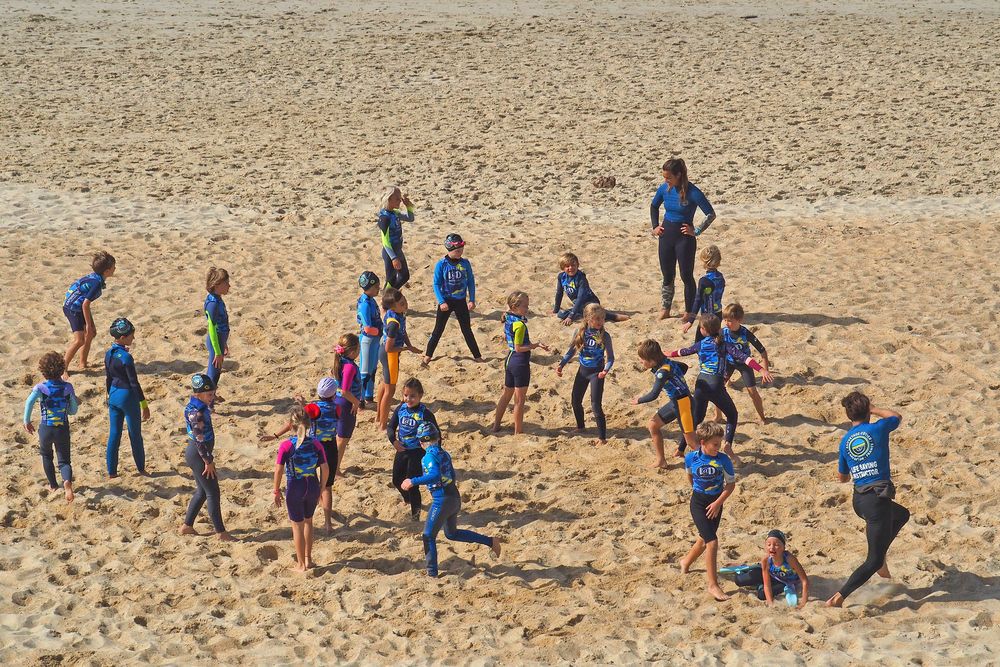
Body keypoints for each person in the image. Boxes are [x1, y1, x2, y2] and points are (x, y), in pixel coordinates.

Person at [827, 393, 910, 608]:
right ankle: (839, 596)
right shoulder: (878, 429)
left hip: (859, 501)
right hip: (877, 502)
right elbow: (896, 416)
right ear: (867, 410)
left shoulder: (846, 441)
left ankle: (881, 557)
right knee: (872, 560)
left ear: (848, 415)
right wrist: (873, 409)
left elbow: (842, 478)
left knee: (902, 514)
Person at [401, 422, 501, 577]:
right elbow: (452, 475)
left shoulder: (428, 456)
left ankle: (432, 573)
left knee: (428, 536)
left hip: (442, 500)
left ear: (421, 442)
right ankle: (490, 541)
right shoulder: (443, 453)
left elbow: (434, 475)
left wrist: (412, 481)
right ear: (438, 438)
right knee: (451, 534)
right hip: (454, 497)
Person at [667, 314, 772, 457]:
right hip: (715, 384)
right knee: (732, 415)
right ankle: (728, 445)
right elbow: (745, 358)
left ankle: (680, 450)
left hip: (701, 383)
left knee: (696, 419)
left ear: (704, 330)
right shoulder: (725, 344)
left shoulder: (701, 344)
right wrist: (762, 369)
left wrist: (667, 354)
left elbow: (683, 352)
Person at [650, 158, 716, 320]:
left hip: (684, 239)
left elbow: (710, 213)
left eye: (668, 178)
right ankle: (665, 308)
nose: (666, 181)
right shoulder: (664, 189)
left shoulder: (692, 191)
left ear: (679, 175)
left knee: (686, 275)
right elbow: (653, 206)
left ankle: (689, 311)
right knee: (667, 275)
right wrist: (655, 227)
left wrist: (697, 231)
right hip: (666, 236)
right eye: (664, 177)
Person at [679, 421, 736, 602]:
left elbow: (731, 484)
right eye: (715, 445)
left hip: (716, 503)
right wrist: (699, 493)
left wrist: (718, 503)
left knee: (704, 539)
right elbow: (690, 476)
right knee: (712, 542)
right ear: (703, 442)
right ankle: (713, 585)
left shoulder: (723, 460)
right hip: (698, 502)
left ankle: (685, 562)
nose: (718, 448)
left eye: (719, 444)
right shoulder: (691, 458)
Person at [272, 405, 330, 572]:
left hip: (295, 486)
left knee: (296, 526)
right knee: (309, 522)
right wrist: (322, 487)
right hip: (312, 484)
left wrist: (276, 490)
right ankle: (308, 559)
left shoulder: (286, 446)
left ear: (291, 425)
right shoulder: (316, 443)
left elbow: (278, 469)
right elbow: (325, 468)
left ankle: (301, 565)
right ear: (309, 424)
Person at [179, 374, 236, 541]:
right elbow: (199, 439)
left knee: (202, 492)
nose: (212, 397)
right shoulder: (197, 413)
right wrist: (208, 461)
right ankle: (221, 532)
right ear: (198, 394)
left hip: (196, 453)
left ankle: (187, 526)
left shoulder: (196, 406)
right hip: (199, 455)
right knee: (213, 492)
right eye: (209, 394)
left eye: (213, 393)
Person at [23, 352, 78, 501]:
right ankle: (67, 482)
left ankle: (53, 485)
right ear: (62, 369)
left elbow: (29, 403)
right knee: (64, 460)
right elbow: (73, 410)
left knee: (46, 455)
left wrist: (26, 421)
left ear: (43, 371)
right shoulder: (68, 387)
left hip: (46, 428)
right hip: (62, 428)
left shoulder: (40, 388)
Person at [556, 304, 614, 445]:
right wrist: (561, 364)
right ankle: (581, 427)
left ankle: (602, 438)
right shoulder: (580, 332)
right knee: (575, 401)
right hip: (582, 371)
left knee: (595, 405)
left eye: (602, 318)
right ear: (588, 319)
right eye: (597, 318)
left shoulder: (605, 336)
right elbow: (571, 351)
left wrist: (605, 370)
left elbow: (611, 357)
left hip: (597, 373)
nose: (600, 321)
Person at [633, 339, 696, 469]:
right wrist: (675, 379)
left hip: (684, 405)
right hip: (677, 402)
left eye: (642, 359)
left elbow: (653, 395)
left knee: (692, 442)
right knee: (653, 425)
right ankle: (661, 460)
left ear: (651, 361)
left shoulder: (662, 372)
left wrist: (638, 400)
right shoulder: (667, 362)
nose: (640, 361)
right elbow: (683, 367)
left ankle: (714, 463)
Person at [493, 291, 548, 434]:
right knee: (519, 400)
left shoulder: (508, 317)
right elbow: (519, 348)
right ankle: (518, 432)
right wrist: (535, 345)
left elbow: (508, 339)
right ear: (515, 306)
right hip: (519, 362)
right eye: (525, 306)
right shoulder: (520, 325)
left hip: (509, 359)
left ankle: (496, 426)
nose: (527, 309)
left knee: (506, 396)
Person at [424, 234, 484, 364]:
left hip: (460, 301)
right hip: (446, 301)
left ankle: (477, 356)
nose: (460, 253)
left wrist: (472, 299)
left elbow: (471, 281)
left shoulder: (465, 263)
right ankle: (428, 355)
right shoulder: (441, 264)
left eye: (461, 250)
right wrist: (441, 302)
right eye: (457, 251)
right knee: (438, 330)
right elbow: (436, 284)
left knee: (467, 330)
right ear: (449, 249)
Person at [387, 378, 439, 520]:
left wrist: (435, 453)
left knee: (412, 484)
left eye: (412, 396)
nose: (408, 399)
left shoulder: (425, 413)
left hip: (418, 452)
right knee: (397, 480)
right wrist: (394, 441)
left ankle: (415, 515)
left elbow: (437, 434)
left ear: (420, 396)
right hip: (402, 450)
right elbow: (391, 427)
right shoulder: (400, 409)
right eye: (405, 396)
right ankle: (408, 499)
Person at [104, 317, 150, 477]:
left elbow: (108, 377)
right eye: (131, 335)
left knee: (114, 434)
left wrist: (109, 396)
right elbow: (134, 383)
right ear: (123, 337)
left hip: (114, 394)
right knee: (135, 434)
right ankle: (141, 468)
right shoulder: (126, 357)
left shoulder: (109, 353)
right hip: (128, 397)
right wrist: (144, 404)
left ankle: (112, 472)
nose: (133, 338)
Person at [63, 250, 116, 375]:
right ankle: (63, 369)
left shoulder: (96, 277)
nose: (115, 268)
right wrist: (88, 324)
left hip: (78, 306)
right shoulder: (96, 283)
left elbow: (85, 304)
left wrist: (90, 325)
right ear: (107, 271)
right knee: (79, 340)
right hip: (72, 308)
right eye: (114, 267)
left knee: (90, 334)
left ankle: (83, 362)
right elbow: (85, 304)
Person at [376, 288, 422, 430]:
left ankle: (379, 416)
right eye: (401, 303)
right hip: (390, 355)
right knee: (390, 390)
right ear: (393, 306)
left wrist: (409, 344)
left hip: (386, 352)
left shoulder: (397, 314)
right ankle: (383, 424)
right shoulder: (393, 323)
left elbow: (404, 331)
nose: (405, 304)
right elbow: (390, 348)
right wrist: (407, 349)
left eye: (404, 300)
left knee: (384, 383)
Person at [730, 530, 809, 607]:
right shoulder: (766, 560)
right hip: (771, 576)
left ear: (783, 547)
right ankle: (745, 568)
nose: (772, 547)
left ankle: (759, 585)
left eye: (776, 545)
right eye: (769, 544)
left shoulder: (790, 559)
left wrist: (803, 602)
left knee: (762, 594)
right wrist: (770, 603)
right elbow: (767, 584)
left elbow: (804, 581)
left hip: (785, 582)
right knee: (739, 580)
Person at [722, 303, 771, 424]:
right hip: (728, 362)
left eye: (730, 321)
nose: (726, 323)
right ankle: (718, 416)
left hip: (745, 364)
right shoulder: (723, 332)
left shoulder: (745, 333)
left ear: (739, 320)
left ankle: (762, 417)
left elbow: (763, 351)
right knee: (718, 389)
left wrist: (766, 370)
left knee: (752, 392)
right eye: (725, 320)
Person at [552, 252, 629, 326]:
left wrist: (570, 317)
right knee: (561, 314)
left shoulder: (581, 278)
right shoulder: (561, 277)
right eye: (567, 266)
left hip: (590, 302)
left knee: (593, 313)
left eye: (573, 265)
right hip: (579, 305)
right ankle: (581, 312)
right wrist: (556, 309)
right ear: (563, 268)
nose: (571, 268)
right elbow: (559, 293)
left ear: (577, 265)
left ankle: (611, 315)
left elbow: (580, 298)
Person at [331, 334, 363, 478]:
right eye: (358, 349)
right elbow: (345, 391)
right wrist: (356, 402)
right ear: (352, 352)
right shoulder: (349, 366)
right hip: (346, 404)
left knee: (339, 437)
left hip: (337, 401)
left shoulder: (340, 361)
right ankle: (336, 470)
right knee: (342, 439)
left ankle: (334, 467)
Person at [681, 245, 725, 342]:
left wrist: (690, 321)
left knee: (699, 343)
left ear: (705, 261)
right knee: (715, 341)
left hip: (707, 317)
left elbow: (698, 300)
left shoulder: (704, 280)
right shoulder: (721, 277)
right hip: (718, 314)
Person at [377, 187, 415, 290]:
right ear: (389, 199)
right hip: (390, 253)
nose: (400, 201)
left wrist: (409, 207)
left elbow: (410, 218)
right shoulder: (385, 217)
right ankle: (386, 301)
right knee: (391, 279)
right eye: (397, 198)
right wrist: (393, 258)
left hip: (398, 250)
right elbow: (385, 241)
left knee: (404, 276)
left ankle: (390, 295)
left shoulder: (395, 213)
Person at [204, 267, 231, 401]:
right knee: (213, 374)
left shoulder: (217, 298)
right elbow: (212, 329)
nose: (229, 286)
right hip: (216, 341)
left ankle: (211, 396)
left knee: (215, 371)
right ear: (216, 285)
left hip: (220, 340)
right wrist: (218, 351)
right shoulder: (213, 304)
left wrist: (224, 343)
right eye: (226, 283)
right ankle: (207, 401)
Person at [357, 271, 383, 405]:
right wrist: (381, 331)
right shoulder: (365, 304)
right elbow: (367, 328)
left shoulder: (371, 300)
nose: (378, 289)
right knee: (365, 370)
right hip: (368, 340)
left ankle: (368, 395)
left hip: (375, 340)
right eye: (376, 287)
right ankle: (360, 398)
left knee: (373, 368)